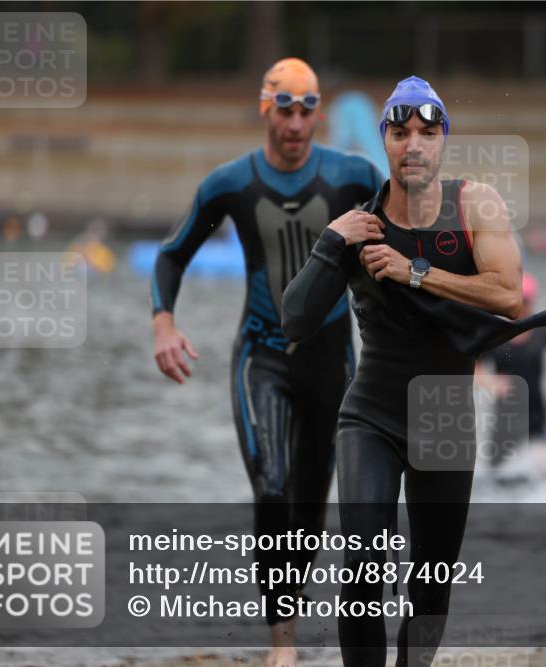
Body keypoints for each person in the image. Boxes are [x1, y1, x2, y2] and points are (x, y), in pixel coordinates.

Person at [281, 75, 546, 667]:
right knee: (364, 565)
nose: (413, 144)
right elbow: (294, 320)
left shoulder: (474, 204)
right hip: (371, 411)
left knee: (432, 579)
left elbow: (507, 296)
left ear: (443, 139)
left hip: (445, 415)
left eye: (426, 131)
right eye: (400, 133)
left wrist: (412, 270)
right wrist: (328, 242)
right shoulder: (359, 223)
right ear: (386, 142)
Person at [150, 58, 383, 667]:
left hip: (333, 363)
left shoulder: (354, 174)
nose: (297, 121)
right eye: (285, 107)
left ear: (320, 114)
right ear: (265, 108)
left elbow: (405, 233)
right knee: (272, 485)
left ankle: (296, 613)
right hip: (263, 356)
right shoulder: (230, 183)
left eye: (307, 108)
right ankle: (283, 644)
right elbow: (173, 255)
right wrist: (164, 323)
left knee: (308, 506)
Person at [475, 273, 546, 477]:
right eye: (518, 301)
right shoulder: (496, 334)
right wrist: (491, 383)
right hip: (504, 420)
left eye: (527, 302)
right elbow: (474, 368)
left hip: (537, 417)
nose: (522, 307)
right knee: (497, 479)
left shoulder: (544, 332)